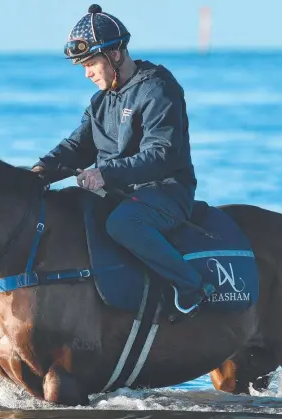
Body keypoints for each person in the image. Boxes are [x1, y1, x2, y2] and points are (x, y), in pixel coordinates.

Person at [32, 4, 210, 319]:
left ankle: (190, 287)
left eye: (90, 63)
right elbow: (77, 146)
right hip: (119, 190)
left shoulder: (158, 88)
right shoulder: (101, 100)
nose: (86, 73)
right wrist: (38, 174)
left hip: (166, 192)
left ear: (115, 54)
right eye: (82, 66)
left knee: (123, 223)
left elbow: (162, 154)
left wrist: (104, 174)